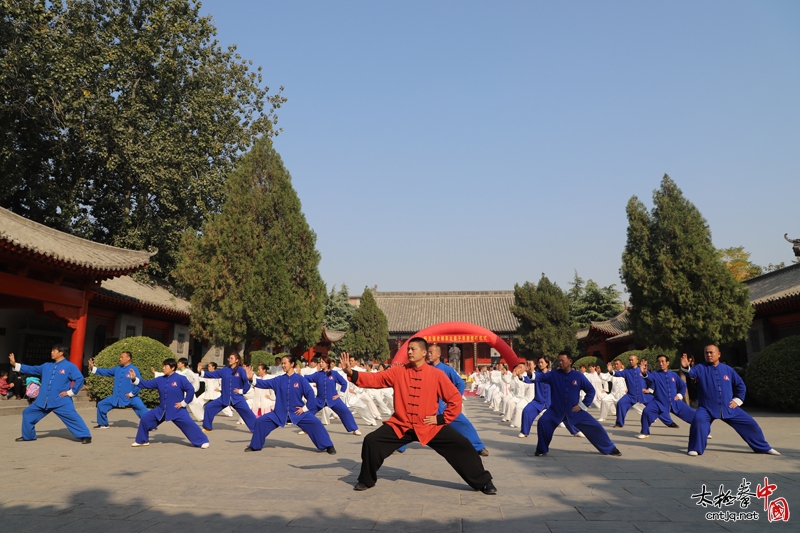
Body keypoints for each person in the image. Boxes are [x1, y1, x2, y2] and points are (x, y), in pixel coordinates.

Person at [339, 338, 496, 495]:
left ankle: (483, 481)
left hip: (428, 425)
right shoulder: (399, 371)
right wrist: (351, 372)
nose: (409, 352)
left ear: (423, 352)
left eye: (413, 349)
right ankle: (366, 480)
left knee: (462, 445)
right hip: (402, 424)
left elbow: (454, 398)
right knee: (372, 441)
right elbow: (376, 379)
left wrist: (441, 419)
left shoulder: (436, 375)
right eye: (408, 349)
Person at [681, 347, 779, 456]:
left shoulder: (728, 370)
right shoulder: (701, 368)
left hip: (728, 407)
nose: (709, 355)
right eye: (706, 353)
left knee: (751, 424)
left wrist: (737, 400)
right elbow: (691, 373)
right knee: (698, 421)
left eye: (711, 352)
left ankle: (763, 447)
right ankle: (695, 448)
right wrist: (685, 367)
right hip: (706, 408)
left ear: (719, 354)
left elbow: (740, 385)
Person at [530, 351, 620, 457]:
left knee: (595, 426)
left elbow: (591, 390)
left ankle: (609, 448)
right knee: (543, 422)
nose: (560, 363)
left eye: (562, 361)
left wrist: (582, 405)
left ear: (570, 361)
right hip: (555, 410)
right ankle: (541, 449)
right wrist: (529, 373)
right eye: (559, 361)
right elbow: (539, 377)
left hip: (574, 411)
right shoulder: (553, 374)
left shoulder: (578, 376)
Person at [245, 354, 336, 454]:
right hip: (279, 413)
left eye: (285, 363)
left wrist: (304, 409)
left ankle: (328, 446)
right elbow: (263, 383)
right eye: (282, 363)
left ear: (292, 364)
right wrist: (251, 379)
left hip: (298, 413)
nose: (283, 365)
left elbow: (310, 394)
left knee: (316, 423)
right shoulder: (278, 380)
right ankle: (255, 446)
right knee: (260, 422)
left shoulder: (300, 380)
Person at [9, 345, 92, 443]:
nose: (51, 352)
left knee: (73, 417)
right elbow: (32, 369)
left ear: (61, 353)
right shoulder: (47, 366)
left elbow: (79, 379)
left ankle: (85, 436)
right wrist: (15, 364)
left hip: (61, 400)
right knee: (28, 413)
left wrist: (71, 392)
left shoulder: (69, 366)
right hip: (43, 400)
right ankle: (28, 436)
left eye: (54, 351)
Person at [128, 358, 209, 448]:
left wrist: (184, 403)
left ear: (172, 368)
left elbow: (190, 390)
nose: (163, 368)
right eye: (163, 366)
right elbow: (146, 384)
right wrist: (134, 379)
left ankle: (202, 441)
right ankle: (142, 440)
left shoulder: (180, 379)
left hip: (177, 410)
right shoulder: (160, 380)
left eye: (165, 366)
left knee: (189, 424)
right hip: (162, 409)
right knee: (145, 418)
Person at [426, 344, 489, 456]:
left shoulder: (447, 369)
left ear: (438, 354)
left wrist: (456, 398)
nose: (428, 354)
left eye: (431, 352)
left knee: (464, 423)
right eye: (428, 352)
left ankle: (479, 447)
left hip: (443, 405)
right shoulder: (425, 368)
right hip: (428, 405)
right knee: (410, 422)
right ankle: (399, 446)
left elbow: (460, 383)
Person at [637, 354, 697, 439]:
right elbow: (648, 378)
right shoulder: (655, 374)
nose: (661, 363)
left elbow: (683, 386)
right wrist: (643, 373)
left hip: (675, 401)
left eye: (662, 361)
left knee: (694, 415)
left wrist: (679, 395)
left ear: (667, 363)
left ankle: (704, 431)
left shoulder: (673, 375)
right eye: (659, 362)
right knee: (647, 411)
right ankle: (645, 432)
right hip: (659, 402)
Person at [607, 355, 674, 428]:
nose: (631, 361)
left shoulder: (642, 370)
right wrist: (611, 371)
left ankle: (670, 422)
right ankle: (619, 423)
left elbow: (652, 381)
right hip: (631, 395)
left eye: (632, 360)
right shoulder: (627, 371)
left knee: (657, 405)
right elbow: (617, 373)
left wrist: (649, 390)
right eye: (629, 360)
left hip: (643, 395)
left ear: (637, 361)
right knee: (621, 403)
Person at [89, 351, 148, 429]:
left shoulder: (134, 369)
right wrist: (93, 368)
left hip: (131, 397)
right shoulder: (118, 368)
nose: (120, 359)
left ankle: (150, 424)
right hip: (117, 397)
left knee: (141, 407)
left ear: (128, 358)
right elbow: (106, 372)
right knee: (101, 404)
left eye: (122, 357)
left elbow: (139, 383)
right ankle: (103, 424)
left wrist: (132, 394)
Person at [306, 355, 362, 436]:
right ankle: (306, 429)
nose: (320, 364)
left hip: (333, 399)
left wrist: (340, 394)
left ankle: (354, 429)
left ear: (327, 363)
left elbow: (344, 383)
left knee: (345, 412)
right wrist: (298, 375)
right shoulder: (317, 374)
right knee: (308, 412)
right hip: (319, 400)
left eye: (323, 362)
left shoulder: (334, 374)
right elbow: (306, 378)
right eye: (320, 362)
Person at [198, 353, 256, 432]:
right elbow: (214, 374)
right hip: (224, 398)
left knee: (248, 413)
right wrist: (201, 372)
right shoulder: (225, 370)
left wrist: (241, 391)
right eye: (229, 358)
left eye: (231, 358)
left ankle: (257, 429)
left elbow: (247, 382)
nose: (229, 359)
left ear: (237, 360)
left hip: (237, 398)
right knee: (209, 407)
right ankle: (207, 427)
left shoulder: (241, 370)